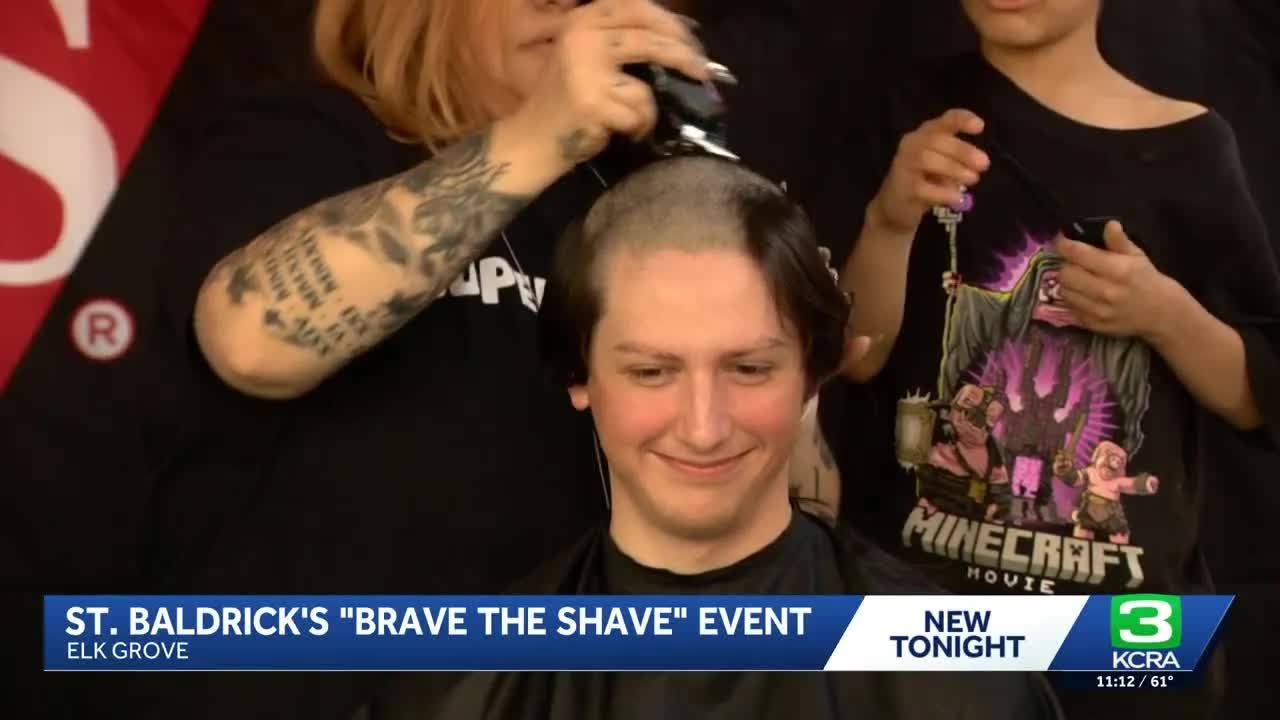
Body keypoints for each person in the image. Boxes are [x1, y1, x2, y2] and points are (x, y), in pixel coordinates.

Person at [115, 1, 836, 718]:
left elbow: (788, 507)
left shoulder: (642, 202)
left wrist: (781, 377)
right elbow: (249, 342)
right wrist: (544, 132)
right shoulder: (310, 134)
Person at [362, 154, 1061, 720]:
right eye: (651, 372)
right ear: (579, 373)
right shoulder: (454, 691)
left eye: (749, 369)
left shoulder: (965, 684)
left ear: (812, 374)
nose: (703, 428)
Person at [821, 0, 1280, 717]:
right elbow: (855, 355)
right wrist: (890, 220)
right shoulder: (910, 115)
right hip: (922, 632)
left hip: (1121, 644)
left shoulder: (1189, 148)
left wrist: (1165, 315)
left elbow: (1255, 396)